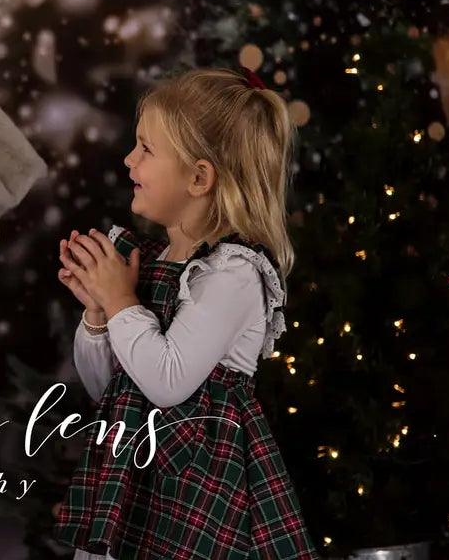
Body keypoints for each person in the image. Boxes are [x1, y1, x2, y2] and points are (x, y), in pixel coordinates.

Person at [52, 68, 319, 559]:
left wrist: (120, 302)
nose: (128, 159)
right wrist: (97, 313)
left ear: (198, 177)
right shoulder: (152, 264)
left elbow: (167, 380)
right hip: (138, 477)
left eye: (146, 149)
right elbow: (106, 389)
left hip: (195, 491)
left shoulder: (232, 273)